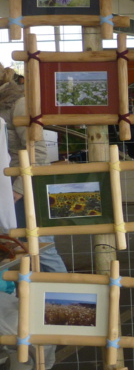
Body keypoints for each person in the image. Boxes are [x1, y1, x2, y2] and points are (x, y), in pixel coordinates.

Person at [0, 67, 68, 273]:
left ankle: (67, 300)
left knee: (39, 247)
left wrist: (18, 190)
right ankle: (27, 301)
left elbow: (37, 152)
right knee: (11, 248)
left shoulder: (18, 103)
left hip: (23, 185)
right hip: (6, 186)